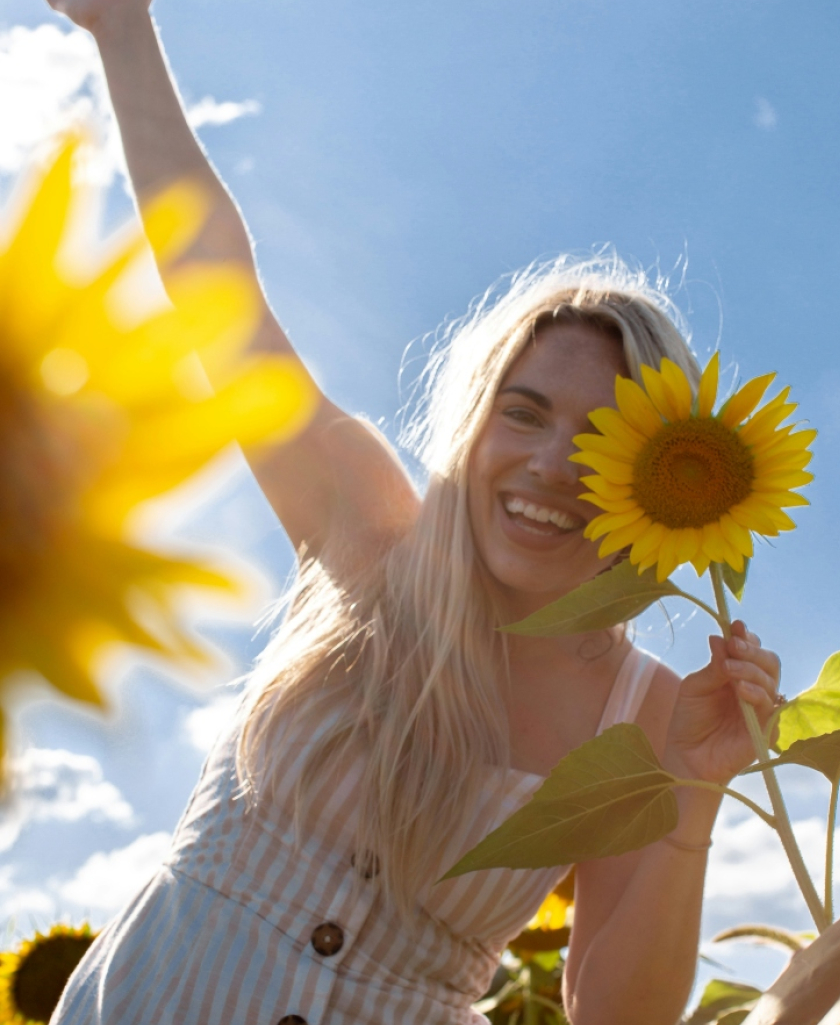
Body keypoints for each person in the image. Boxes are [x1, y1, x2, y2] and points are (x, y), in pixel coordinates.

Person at [47, 2, 782, 1023]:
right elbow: (214, 292)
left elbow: (615, 1012)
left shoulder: (647, 714)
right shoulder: (368, 536)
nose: (549, 463)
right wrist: (121, 31)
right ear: (472, 423)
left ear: (658, 469)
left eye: (603, 434)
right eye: (519, 413)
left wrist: (694, 791)